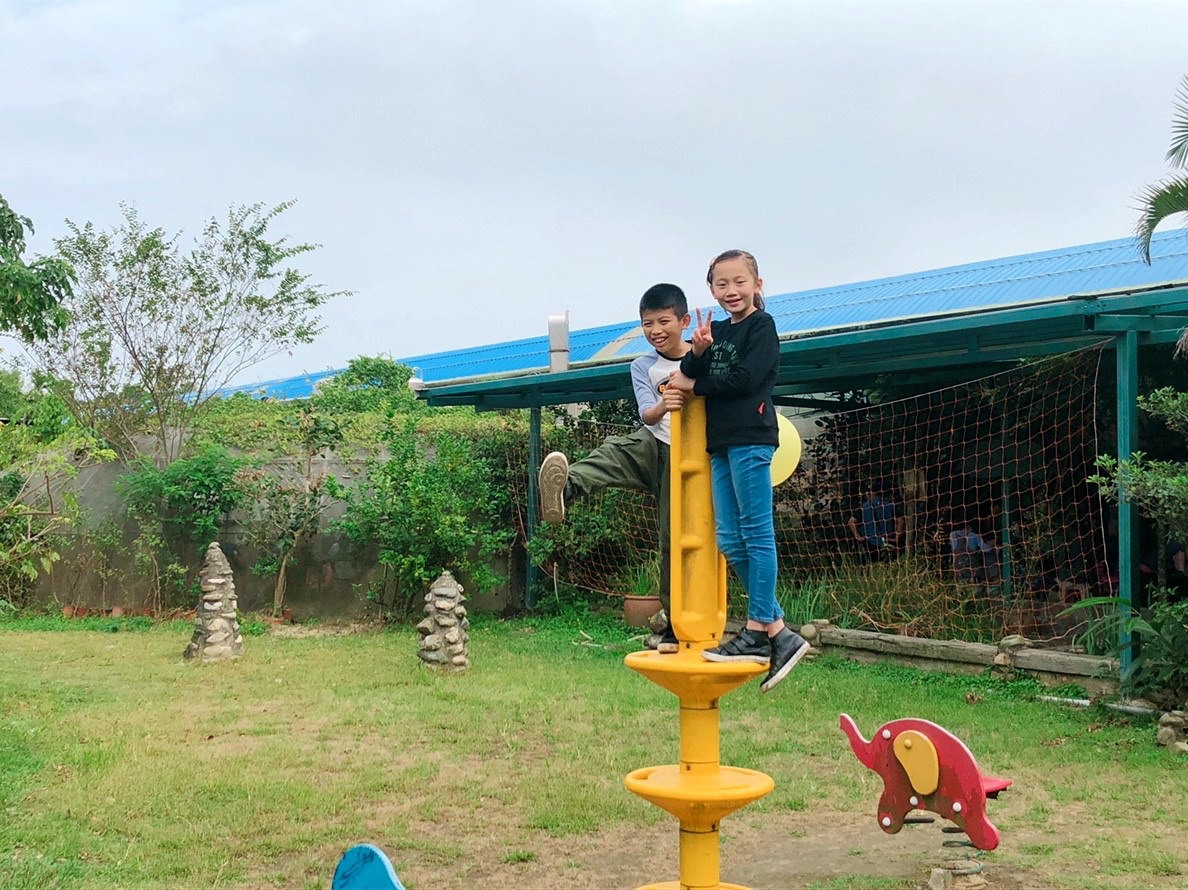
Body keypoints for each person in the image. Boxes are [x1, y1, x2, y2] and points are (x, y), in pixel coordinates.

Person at [669, 249, 809, 693]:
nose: (731, 291)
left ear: (757, 284)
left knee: (756, 531)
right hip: (720, 444)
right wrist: (699, 351)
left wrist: (696, 384)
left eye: (739, 282)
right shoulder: (718, 332)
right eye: (721, 284)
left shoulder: (761, 327)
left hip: (752, 436)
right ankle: (778, 632)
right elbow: (688, 371)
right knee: (729, 538)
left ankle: (754, 630)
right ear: (711, 290)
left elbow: (745, 380)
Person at [538, 283, 692, 653]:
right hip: (654, 440)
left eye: (663, 321)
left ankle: (676, 623)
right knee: (614, 449)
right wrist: (664, 405)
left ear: (683, 321)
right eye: (647, 324)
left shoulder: (702, 355)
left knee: (673, 539)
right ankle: (565, 488)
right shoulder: (642, 365)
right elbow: (645, 411)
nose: (655, 331)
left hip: (692, 455)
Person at [848, 485, 902, 561]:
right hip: (889, 541)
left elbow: (851, 522)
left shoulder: (863, 508)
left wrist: (858, 537)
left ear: (872, 493)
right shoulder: (890, 506)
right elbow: (900, 520)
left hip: (871, 543)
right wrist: (897, 538)